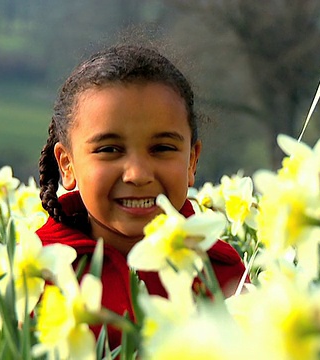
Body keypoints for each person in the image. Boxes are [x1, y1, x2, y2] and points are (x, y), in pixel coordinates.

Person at [35, 44, 246, 348]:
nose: (137, 174)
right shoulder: (36, 275)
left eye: (162, 148)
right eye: (109, 150)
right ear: (67, 164)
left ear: (191, 161)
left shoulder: (221, 272)